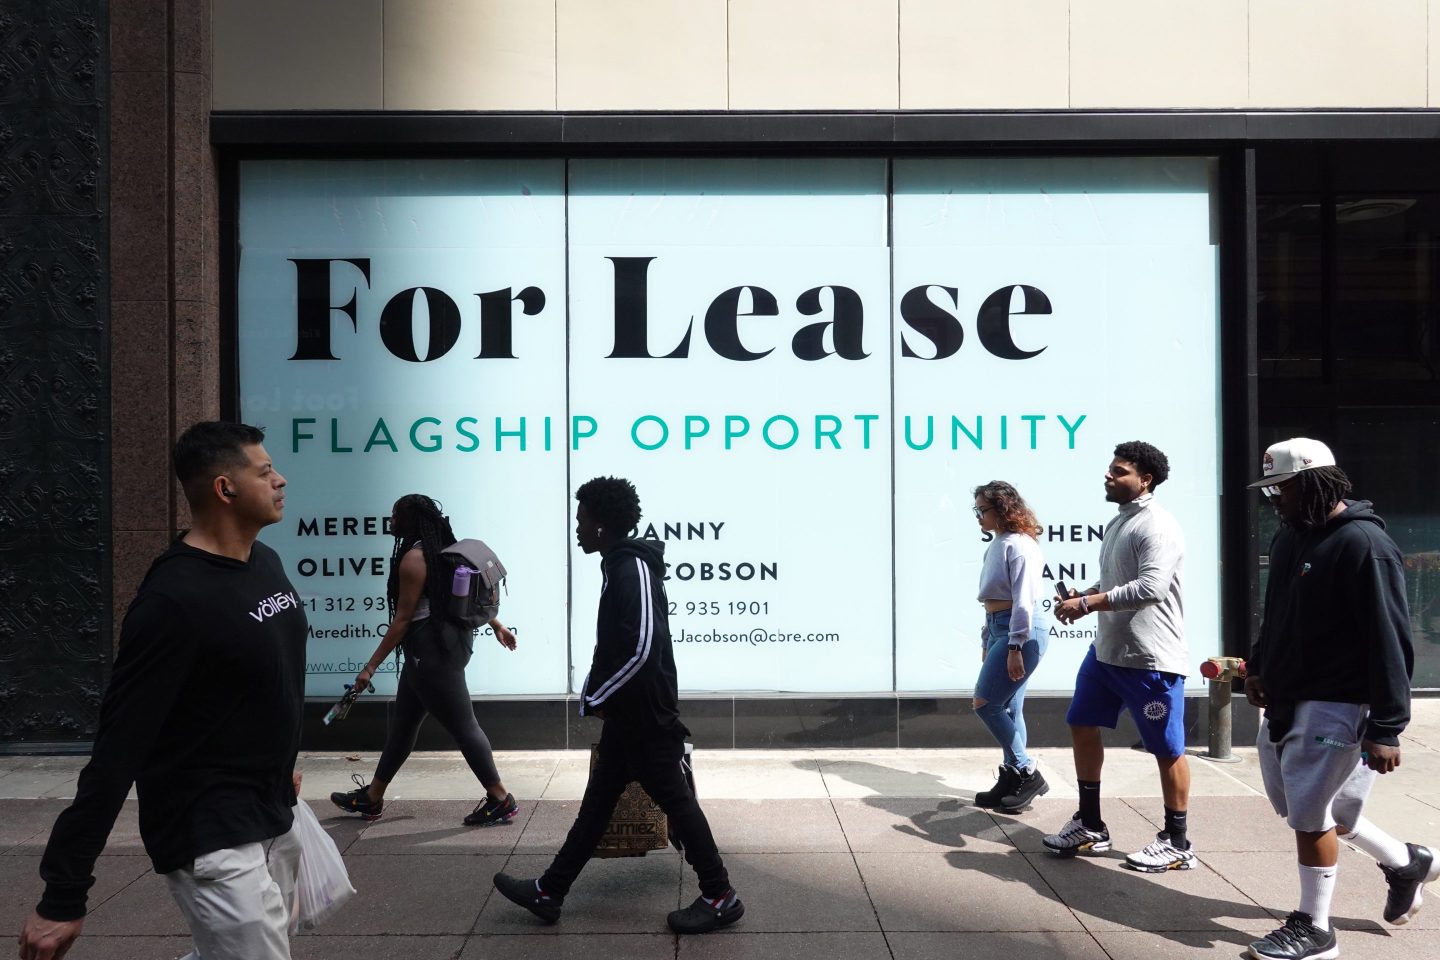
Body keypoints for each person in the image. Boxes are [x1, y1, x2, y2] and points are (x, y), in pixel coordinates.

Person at [18, 422, 307, 960]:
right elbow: (117, 748)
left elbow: (270, 679)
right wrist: (64, 894)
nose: (281, 480)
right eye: (265, 472)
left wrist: (280, 758)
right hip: (207, 826)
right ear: (225, 489)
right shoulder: (173, 601)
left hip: (270, 804)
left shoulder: (264, 563)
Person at [492, 476, 742, 935]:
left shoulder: (633, 569)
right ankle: (550, 891)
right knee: (599, 803)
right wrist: (600, 691)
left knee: (678, 804)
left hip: (646, 716)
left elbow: (643, 646)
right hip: (630, 716)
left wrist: (597, 694)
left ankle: (720, 895)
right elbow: (617, 645)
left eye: (582, 519)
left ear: (603, 525)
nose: (577, 528)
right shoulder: (617, 565)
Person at [1242, 438, 1432, 960]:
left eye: (1280, 488)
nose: (1272, 499)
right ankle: (1405, 861)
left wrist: (1387, 726)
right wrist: (1259, 665)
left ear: (1313, 482)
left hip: (1339, 703)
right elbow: (1277, 612)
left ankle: (1316, 929)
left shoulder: (1363, 545)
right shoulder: (1289, 537)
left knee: (1308, 814)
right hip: (1286, 698)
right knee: (1317, 808)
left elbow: (1391, 638)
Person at [1047, 440, 1195, 872]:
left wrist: (1090, 604)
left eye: (1119, 471)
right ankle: (1091, 824)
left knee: (1166, 749)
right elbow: (1117, 579)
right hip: (1107, 653)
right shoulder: (1121, 521)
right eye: (1110, 470)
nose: (1108, 476)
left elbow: (1151, 587)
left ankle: (1177, 840)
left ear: (1145, 480)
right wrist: (1087, 594)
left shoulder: (1158, 526)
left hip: (1150, 659)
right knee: (1081, 724)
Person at [330, 494, 519, 826]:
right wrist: (498, 625)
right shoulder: (445, 552)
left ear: (410, 520)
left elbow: (402, 621)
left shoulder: (414, 559)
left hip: (430, 652)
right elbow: (463, 599)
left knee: (464, 726)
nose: (390, 522)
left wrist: (370, 667)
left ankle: (500, 797)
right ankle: (372, 798)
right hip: (444, 647)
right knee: (403, 726)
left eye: (395, 516)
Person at [970, 480, 1051, 812]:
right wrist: (988, 637)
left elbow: (1023, 601)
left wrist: (1016, 646)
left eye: (982, 510)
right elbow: (993, 600)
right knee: (1009, 708)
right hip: (1000, 628)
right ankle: (1012, 777)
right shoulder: (998, 544)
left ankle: (1026, 770)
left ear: (1002, 508)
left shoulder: (1020, 545)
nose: (977, 516)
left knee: (985, 704)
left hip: (1022, 631)